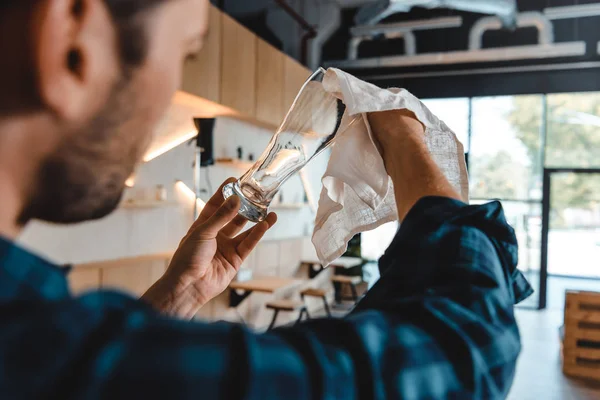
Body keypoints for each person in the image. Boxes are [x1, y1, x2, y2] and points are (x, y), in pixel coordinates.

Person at [0, 0, 532, 398]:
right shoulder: (46, 352)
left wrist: (177, 294)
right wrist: (409, 136)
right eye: (185, 53)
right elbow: (466, 351)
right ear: (71, 44)